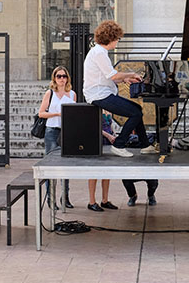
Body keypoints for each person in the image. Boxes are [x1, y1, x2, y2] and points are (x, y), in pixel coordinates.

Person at [83, 20, 157, 158]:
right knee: (135, 113)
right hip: (99, 95)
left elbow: (108, 76)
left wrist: (124, 79)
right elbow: (112, 75)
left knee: (137, 110)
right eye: (117, 39)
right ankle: (119, 145)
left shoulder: (99, 52)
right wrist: (131, 74)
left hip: (101, 93)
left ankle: (145, 145)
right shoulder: (99, 53)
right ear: (111, 38)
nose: (118, 42)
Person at [39, 65, 76, 208]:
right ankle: (51, 199)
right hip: (52, 131)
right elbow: (41, 113)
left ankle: (65, 197)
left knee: (67, 166)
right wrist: (58, 113)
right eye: (59, 76)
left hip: (67, 132)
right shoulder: (50, 93)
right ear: (54, 78)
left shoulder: (72, 94)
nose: (62, 79)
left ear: (67, 78)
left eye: (64, 76)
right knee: (51, 166)